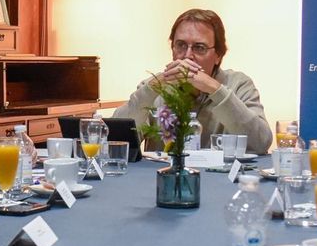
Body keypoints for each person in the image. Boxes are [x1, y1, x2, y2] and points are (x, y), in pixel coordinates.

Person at [112, 8, 272, 153]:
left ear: (218, 55)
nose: (187, 55)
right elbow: (114, 140)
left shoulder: (239, 85)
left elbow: (261, 143)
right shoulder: (154, 87)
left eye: (199, 47)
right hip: (165, 179)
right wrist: (151, 89)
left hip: (221, 181)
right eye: (180, 45)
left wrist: (215, 90)